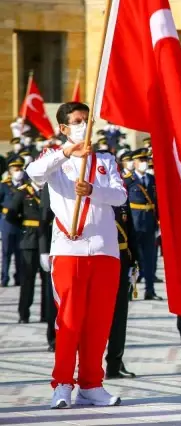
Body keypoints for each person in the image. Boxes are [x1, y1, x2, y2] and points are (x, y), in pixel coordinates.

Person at [26, 102, 127, 408]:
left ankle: (92, 383)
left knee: (99, 321)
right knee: (69, 321)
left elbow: (120, 195)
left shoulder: (106, 159)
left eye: (87, 120)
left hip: (104, 249)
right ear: (64, 128)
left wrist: (93, 190)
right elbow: (35, 172)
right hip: (68, 248)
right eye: (77, 121)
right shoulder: (54, 158)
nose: (84, 124)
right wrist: (68, 153)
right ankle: (62, 384)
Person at [5, 176, 47, 323]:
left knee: (47, 281)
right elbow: (10, 215)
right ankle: (24, 314)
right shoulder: (22, 192)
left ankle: (46, 314)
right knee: (27, 280)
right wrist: (24, 227)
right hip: (29, 240)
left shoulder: (49, 191)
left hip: (46, 241)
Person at [105, 200, 138, 379]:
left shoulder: (120, 197)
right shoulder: (88, 193)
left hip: (122, 260)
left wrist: (135, 260)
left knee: (119, 316)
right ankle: (87, 365)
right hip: (99, 260)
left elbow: (130, 231)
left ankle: (115, 364)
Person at [128, 148, 161, 301]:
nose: (144, 163)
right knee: (133, 259)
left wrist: (159, 223)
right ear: (134, 163)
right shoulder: (128, 180)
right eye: (140, 161)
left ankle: (150, 290)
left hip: (149, 223)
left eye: (145, 160)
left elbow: (158, 202)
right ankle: (130, 289)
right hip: (134, 224)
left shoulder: (152, 179)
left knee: (150, 258)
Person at [1, 155, 28, 287]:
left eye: (19, 168)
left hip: (22, 222)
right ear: (10, 170)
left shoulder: (26, 185)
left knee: (20, 252)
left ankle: (19, 277)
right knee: (6, 252)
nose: (17, 171)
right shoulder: (4, 185)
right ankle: (4, 278)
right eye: (15, 169)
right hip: (8, 223)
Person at [39, 184, 57, 352]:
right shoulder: (51, 182)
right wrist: (44, 250)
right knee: (54, 295)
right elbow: (44, 220)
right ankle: (54, 338)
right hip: (55, 242)